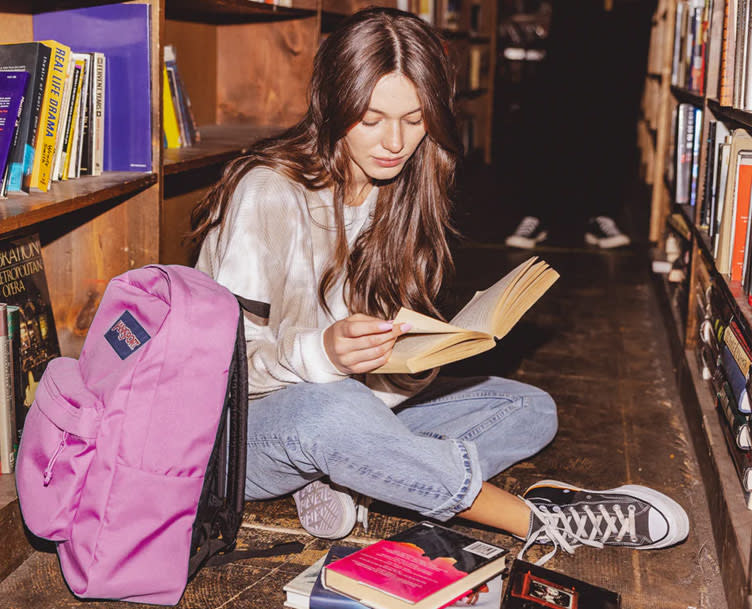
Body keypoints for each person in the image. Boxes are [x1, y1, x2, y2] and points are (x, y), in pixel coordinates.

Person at [192, 6, 688, 564]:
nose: (395, 142)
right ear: (333, 102)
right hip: (246, 437)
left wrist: (418, 360)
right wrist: (324, 353)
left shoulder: (402, 192)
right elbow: (219, 377)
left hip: (355, 412)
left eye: (415, 117)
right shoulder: (267, 192)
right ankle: (544, 520)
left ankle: (361, 473)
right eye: (372, 117)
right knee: (327, 412)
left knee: (529, 407)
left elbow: (375, 383)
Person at [504, 0, 656, 250]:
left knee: (618, 111)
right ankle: (538, 211)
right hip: (578, 12)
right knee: (555, 108)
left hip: (628, 14)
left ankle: (602, 213)